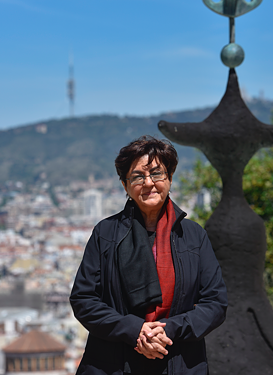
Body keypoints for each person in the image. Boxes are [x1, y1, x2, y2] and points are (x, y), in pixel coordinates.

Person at [70, 136, 227, 375]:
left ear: (170, 178)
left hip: (178, 361)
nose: (148, 183)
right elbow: (83, 299)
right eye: (137, 177)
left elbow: (215, 303)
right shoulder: (106, 233)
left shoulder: (193, 236)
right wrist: (134, 330)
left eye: (157, 174)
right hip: (114, 364)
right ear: (125, 185)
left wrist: (168, 330)